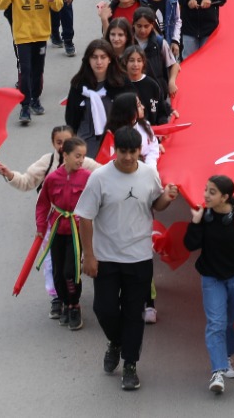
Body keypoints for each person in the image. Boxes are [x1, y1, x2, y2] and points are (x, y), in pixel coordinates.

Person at [75, 126, 180, 391]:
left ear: (139, 151)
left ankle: (130, 365)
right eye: (123, 151)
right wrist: (89, 255)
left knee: (134, 313)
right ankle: (116, 341)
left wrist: (166, 198)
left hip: (139, 257)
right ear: (115, 151)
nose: (128, 157)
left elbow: (154, 204)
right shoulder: (99, 178)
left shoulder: (149, 174)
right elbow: (85, 216)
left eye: (133, 152)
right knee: (104, 309)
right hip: (107, 258)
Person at [183, 175, 234, 394]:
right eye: (205, 190)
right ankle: (218, 370)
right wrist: (195, 221)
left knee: (233, 323)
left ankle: (227, 355)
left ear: (225, 196)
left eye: (212, 192)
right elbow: (190, 245)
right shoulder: (204, 216)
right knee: (216, 323)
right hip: (211, 278)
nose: (205, 195)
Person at [0, 0, 63, 124]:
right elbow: (0, 4)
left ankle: (35, 99)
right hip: (23, 37)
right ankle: (24, 106)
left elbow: (58, 5)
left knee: (38, 69)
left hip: (40, 36)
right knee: (25, 70)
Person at [36, 134, 90, 328]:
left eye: (83, 156)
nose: (81, 160)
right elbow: (42, 204)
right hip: (58, 229)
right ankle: (65, 303)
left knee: (71, 271)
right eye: (77, 156)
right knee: (58, 273)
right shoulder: (52, 179)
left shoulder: (87, 177)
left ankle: (74, 305)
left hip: (77, 232)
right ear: (65, 155)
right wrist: (41, 227)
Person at [66, 40, 127, 144]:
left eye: (103, 57)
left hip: (116, 143)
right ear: (88, 60)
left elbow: (130, 115)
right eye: (94, 57)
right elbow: (71, 118)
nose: (99, 62)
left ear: (110, 59)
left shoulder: (122, 84)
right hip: (85, 143)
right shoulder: (78, 85)